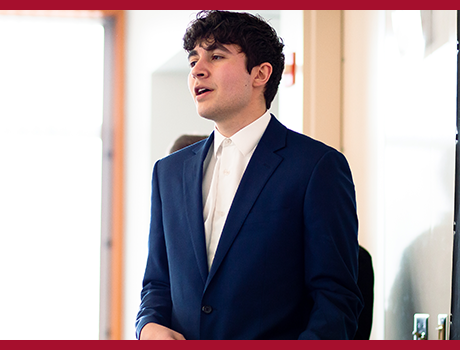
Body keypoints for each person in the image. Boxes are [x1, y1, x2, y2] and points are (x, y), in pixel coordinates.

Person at [137, 10, 362, 340]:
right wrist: (149, 327)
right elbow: (157, 283)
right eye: (193, 60)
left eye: (216, 56)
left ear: (260, 74)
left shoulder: (316, 167)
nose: (198, 70)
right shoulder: (168, 172)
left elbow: (336, 301)